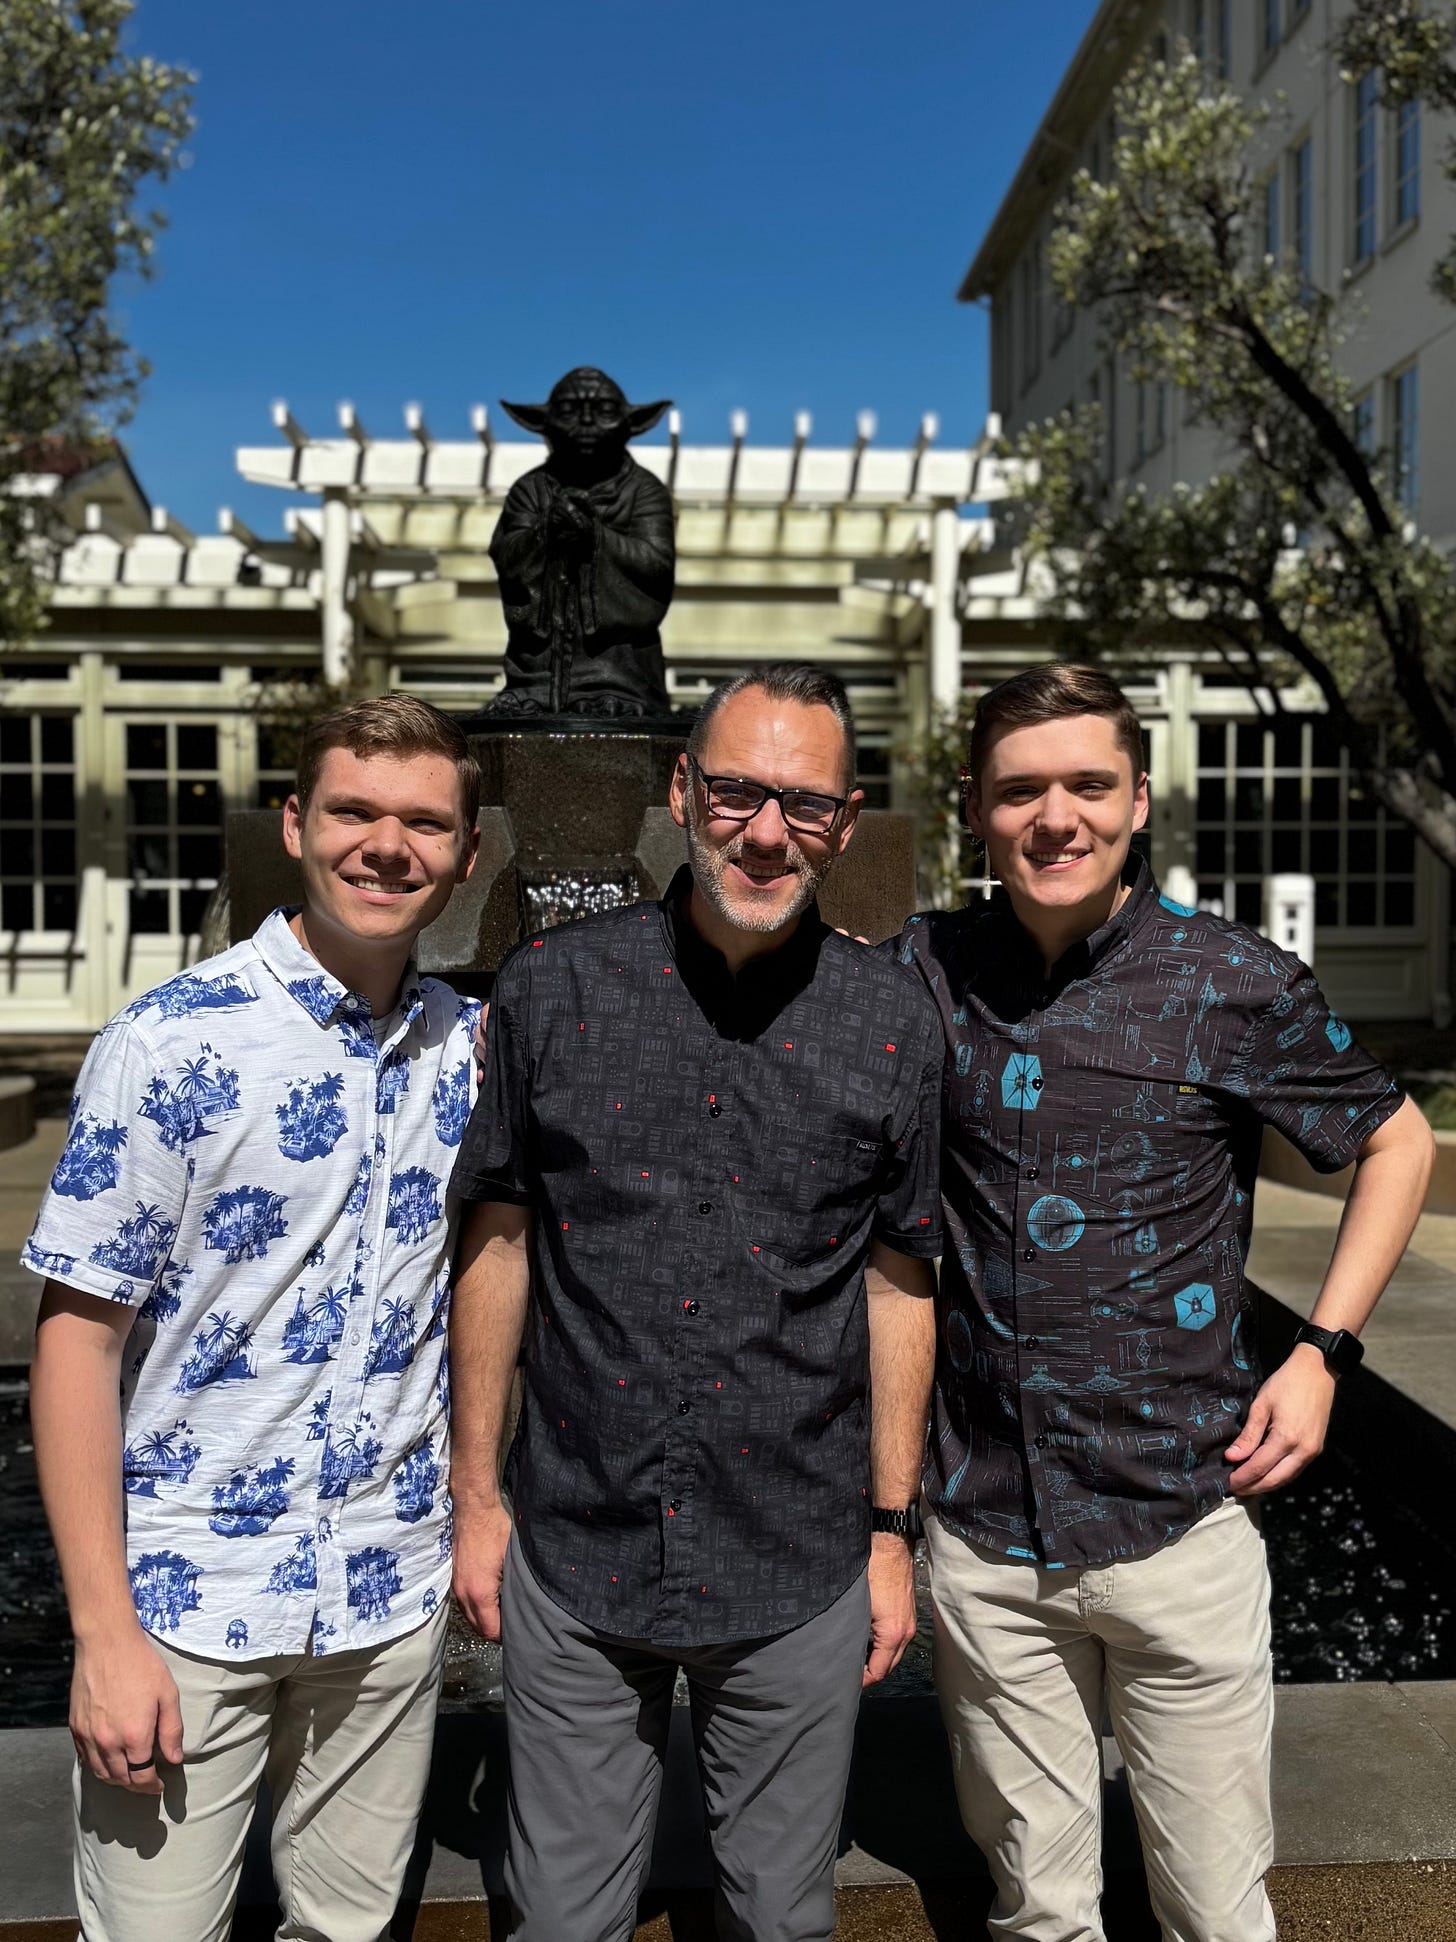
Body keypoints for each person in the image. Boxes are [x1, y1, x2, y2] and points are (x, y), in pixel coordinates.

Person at [897, 663, 1434, 1942]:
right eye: (1020, 789)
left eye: (1088, 784)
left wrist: (1320, 1353)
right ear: (976, 808)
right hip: (987, 1540)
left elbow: (1396, 1139)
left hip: (1179, 1520)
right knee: (1039, 1914)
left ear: (1139, 799)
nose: (1055, 816)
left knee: (1215, 1912)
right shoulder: (920, 971)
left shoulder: (1229, 982)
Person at [449, 663, 945, 1942]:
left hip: (797, 1553)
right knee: (560, 1923)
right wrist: (476, 1499)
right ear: (681, 790)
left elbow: (899, 1280)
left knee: (781, 1922)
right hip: (576, 1544)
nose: (765, 832)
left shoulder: (895, 1020)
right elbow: (497, 1242)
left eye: (804, 804)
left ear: (843, 820)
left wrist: (892, 1531)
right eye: (734, 791)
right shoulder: (550, 989)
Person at [26, 694, 483, 1942]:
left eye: (424, 822)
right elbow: (75, 1340)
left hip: (386, 1599)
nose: (387, 845)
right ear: (296, 823)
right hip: (182, 1602)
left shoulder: (473, 1050)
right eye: (354, 811)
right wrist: (99, 1627)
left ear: (466, 852)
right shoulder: (170, 1043)